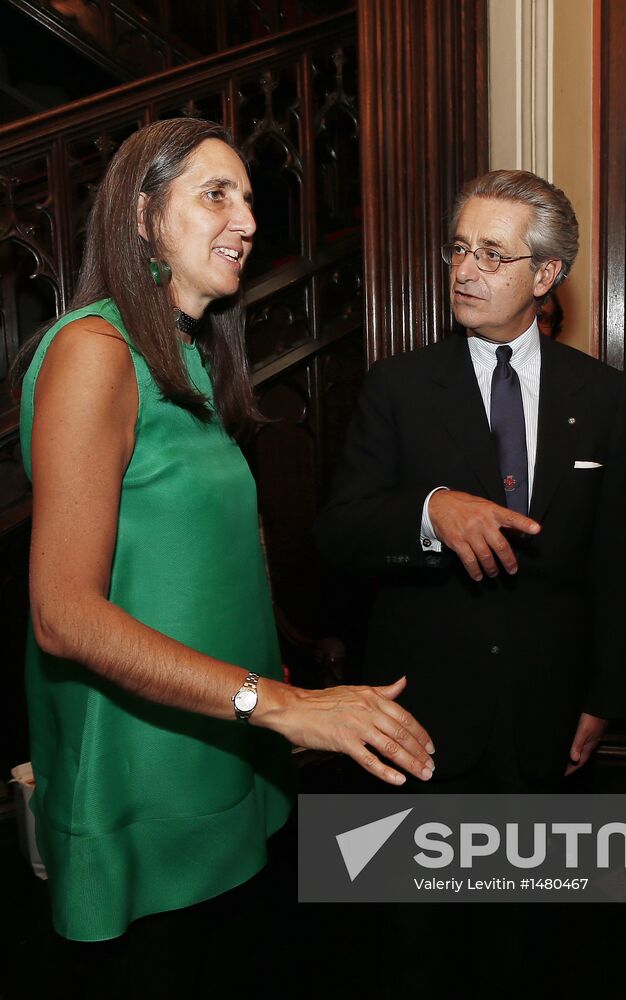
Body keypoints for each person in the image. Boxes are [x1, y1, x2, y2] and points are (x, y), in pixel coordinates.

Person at [14, 118, 433, 987]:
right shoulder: (95, 352)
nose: (245, 218)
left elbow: (203, 560)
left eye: (249, 197)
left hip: (227, 754)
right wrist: (276, 701)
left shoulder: (192, 361)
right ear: (141, 217)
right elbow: (62, 614)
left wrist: (284, 666)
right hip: (146, 782)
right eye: (215, 194)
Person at [315, 169, 626, 794]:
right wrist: (430, 513)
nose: (465, 271)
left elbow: (616, 560)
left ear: (544, 276)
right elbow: (338, 532)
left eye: (492, 255)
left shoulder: (600, 395)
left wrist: (605, 699)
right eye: (460, 249)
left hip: (549, 711)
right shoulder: (398, 386)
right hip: (421, 716)